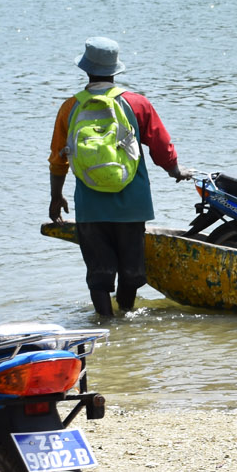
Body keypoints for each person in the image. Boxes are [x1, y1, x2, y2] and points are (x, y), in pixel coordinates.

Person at [48, 37, 187, 318]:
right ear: (115, 70)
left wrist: (56, 197)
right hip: (132, 203)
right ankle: (125, 315)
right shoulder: (137, 103)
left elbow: (58, 157)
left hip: (90, 204)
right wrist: (175, 171)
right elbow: (161, 145)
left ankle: (106, 326)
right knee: (131, 270)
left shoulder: (70, 107)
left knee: (98, 272)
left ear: (86, 70)